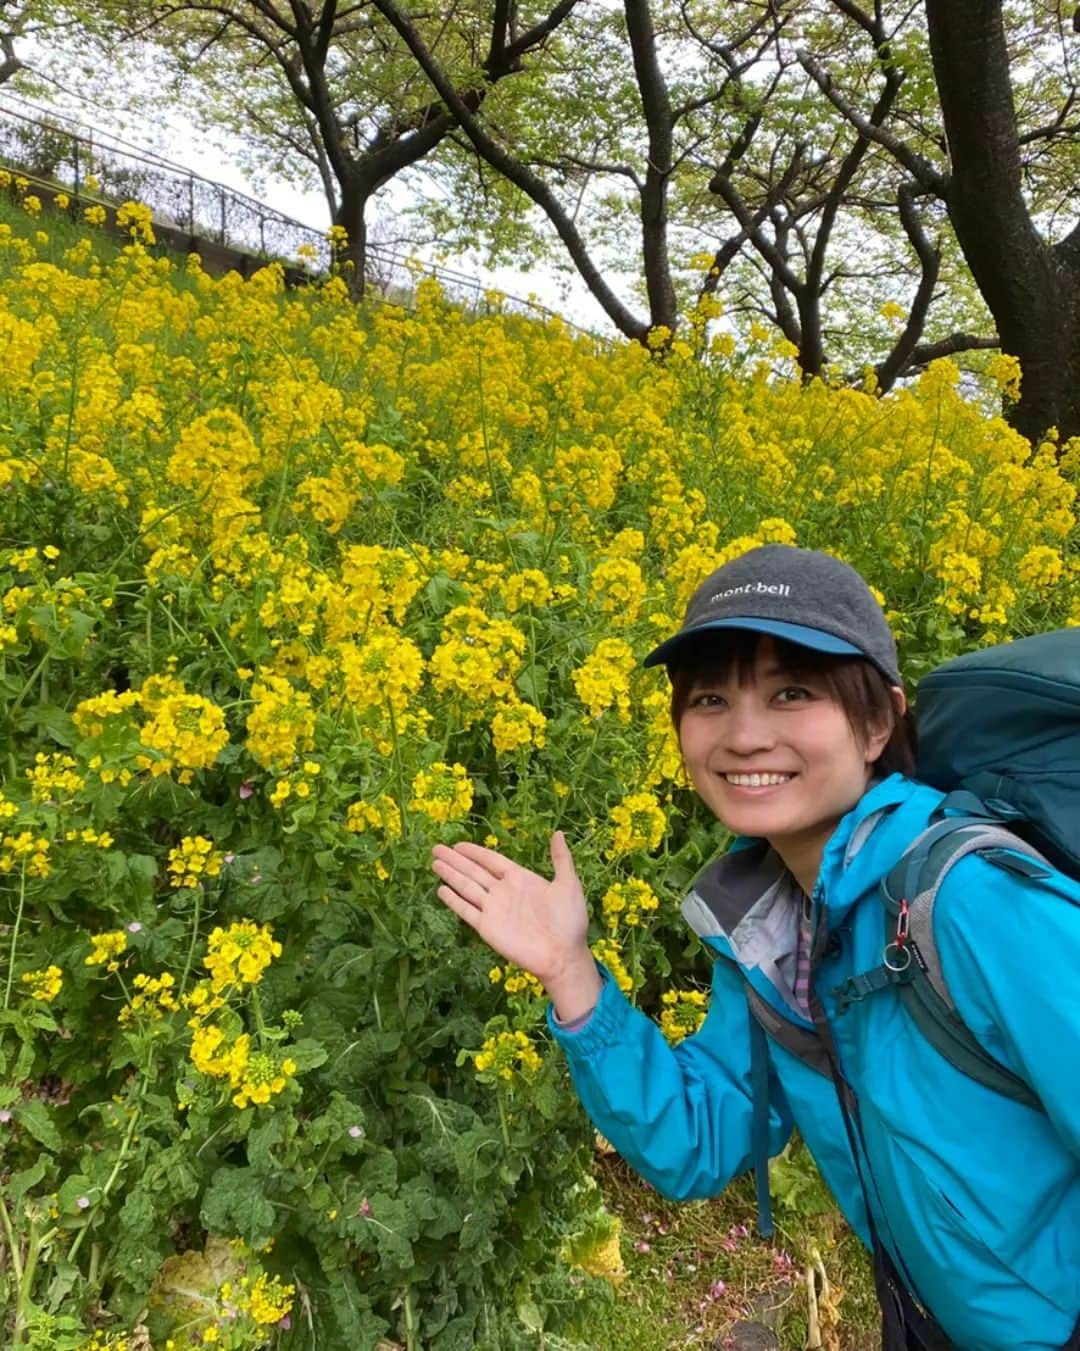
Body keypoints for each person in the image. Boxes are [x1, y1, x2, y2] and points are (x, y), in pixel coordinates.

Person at [430, 544, 1080, 1351]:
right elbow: (696, 1140)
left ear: (879, 720)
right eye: (709, 698)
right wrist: (572, 975)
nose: (743, 736)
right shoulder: (775, 926)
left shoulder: (971, 901)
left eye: (792, 693)